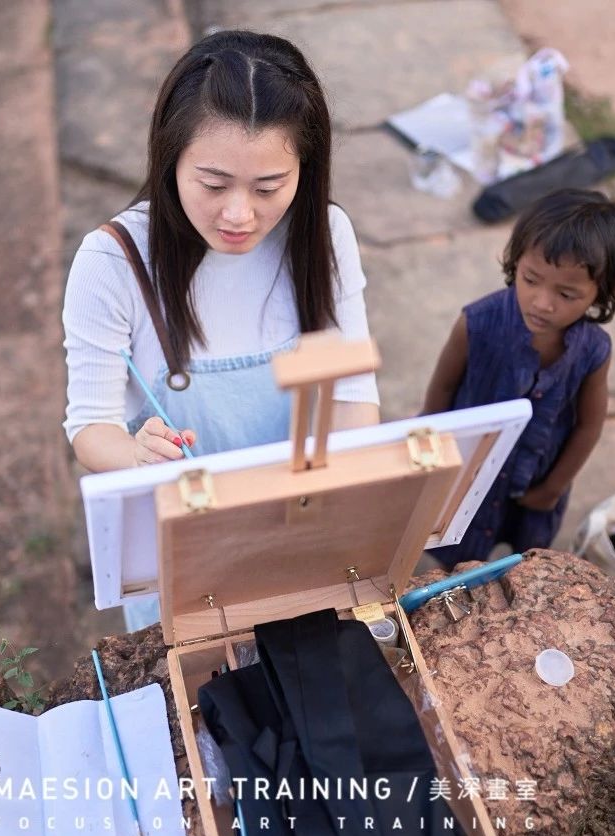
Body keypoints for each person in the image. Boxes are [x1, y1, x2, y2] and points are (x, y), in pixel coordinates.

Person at [62, 30, 379, 626]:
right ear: (169, 157)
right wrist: (135, 454)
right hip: (187, 553)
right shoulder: (113, 262)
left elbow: (354, 401)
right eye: (213, 184)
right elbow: (90, 425)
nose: (240, 214)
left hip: (303, 532)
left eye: (269, 187)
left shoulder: (324, 237)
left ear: (304, 171)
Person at [421, 188, 615, 565]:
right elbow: (442, 388)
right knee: (456, 564)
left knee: (526, 563)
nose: (542, 302)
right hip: (469, 479)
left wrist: (553, 488)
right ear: (515, 262)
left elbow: (589, 425)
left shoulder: (593, 350)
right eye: (530, 279)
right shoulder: (477, 323)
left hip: (536, 487)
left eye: (567, 293)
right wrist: (432, 456)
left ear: (599, 295)